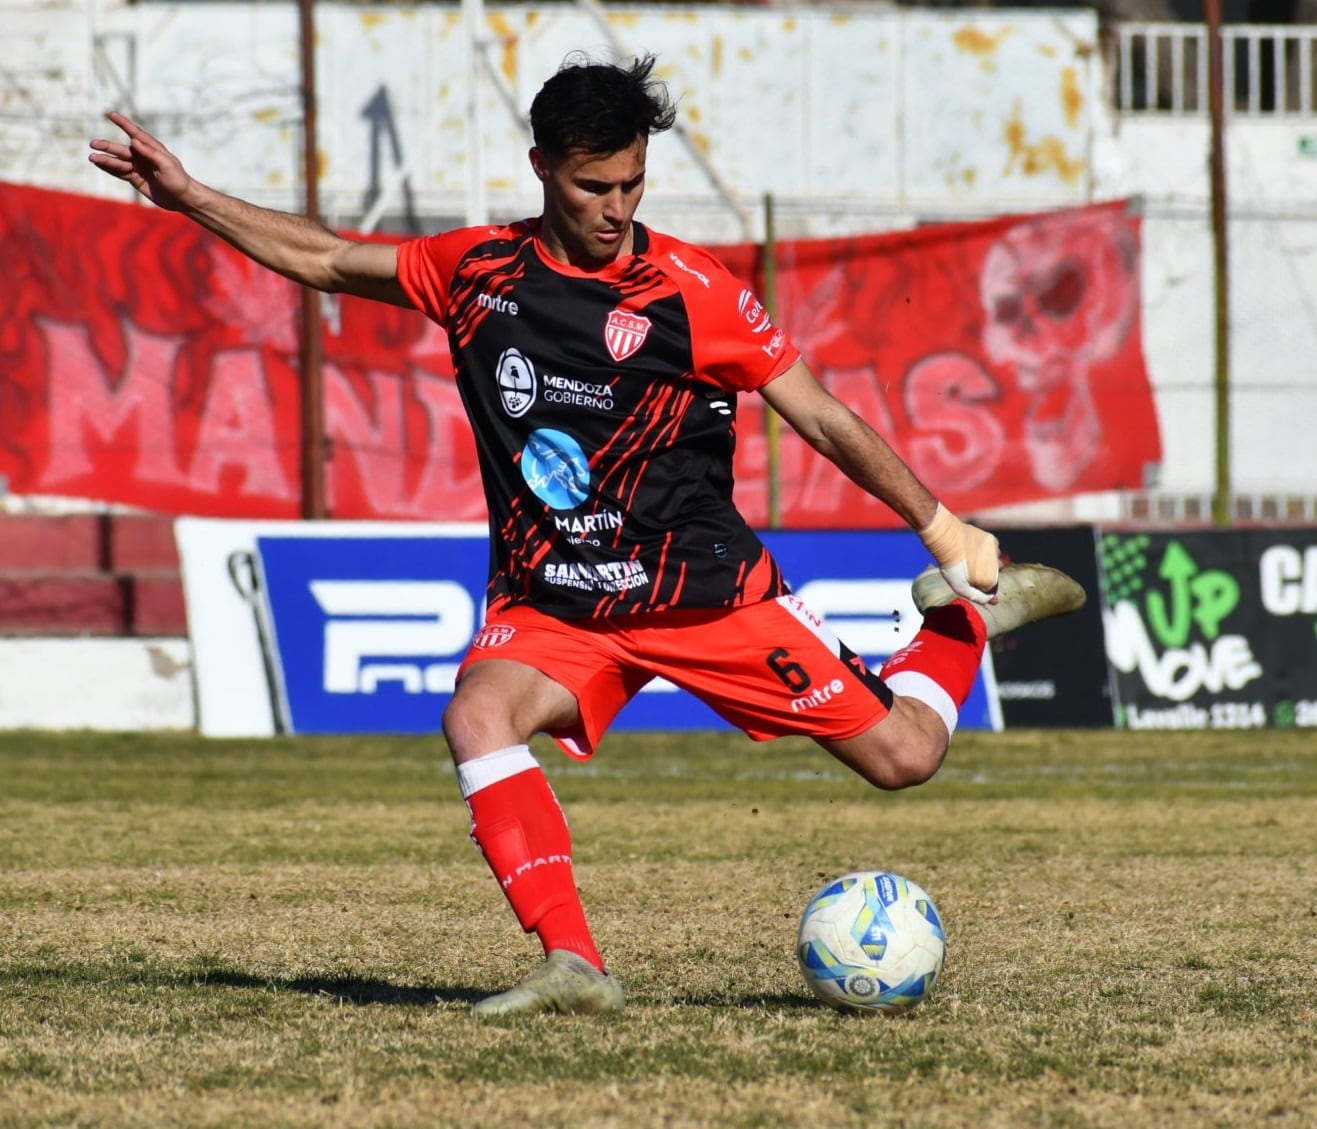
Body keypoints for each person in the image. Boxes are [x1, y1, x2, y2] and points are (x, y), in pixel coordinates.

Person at [89, 54, 1085, 1018]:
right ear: (542, 169)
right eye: (594, 185)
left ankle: (958, 626)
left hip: (706, 598)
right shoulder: (475, 270)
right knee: (477, 716)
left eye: (634, 183)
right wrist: (190, 197)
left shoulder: (690, 292)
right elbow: (325, 258)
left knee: (906, 756)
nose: (619, 208)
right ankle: (574, 962)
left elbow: (821, 416)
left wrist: (944, 529)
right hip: (557, 605)